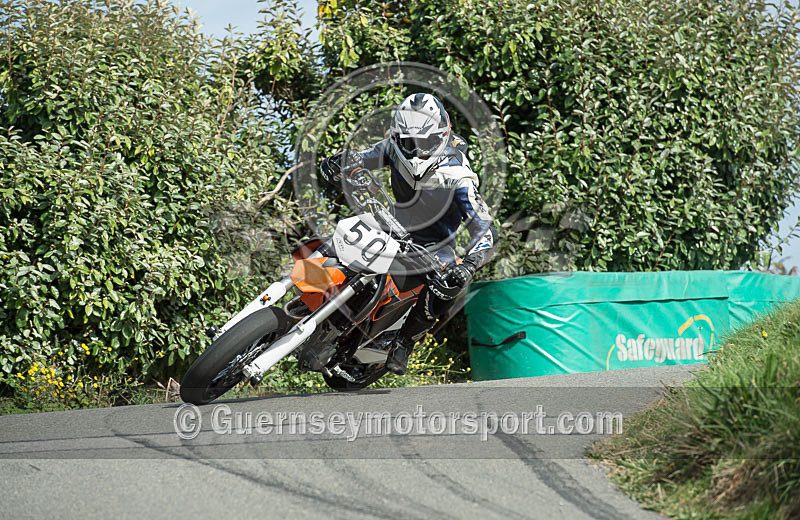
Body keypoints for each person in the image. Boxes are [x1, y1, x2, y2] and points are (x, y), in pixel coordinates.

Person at [319, 93, 498, 375]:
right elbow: (361, 158)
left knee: (450, 283)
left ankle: (404, 342)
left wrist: (471, 265)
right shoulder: (392, 147)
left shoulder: (457, 174)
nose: (415, 151)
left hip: (433, 245)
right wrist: (340, 161)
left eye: (424, 143)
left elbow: (485, 227)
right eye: (408, 142)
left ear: (442, 134)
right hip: (390, 221)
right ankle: (302, 291)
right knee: (337, 239)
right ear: (397, 135)